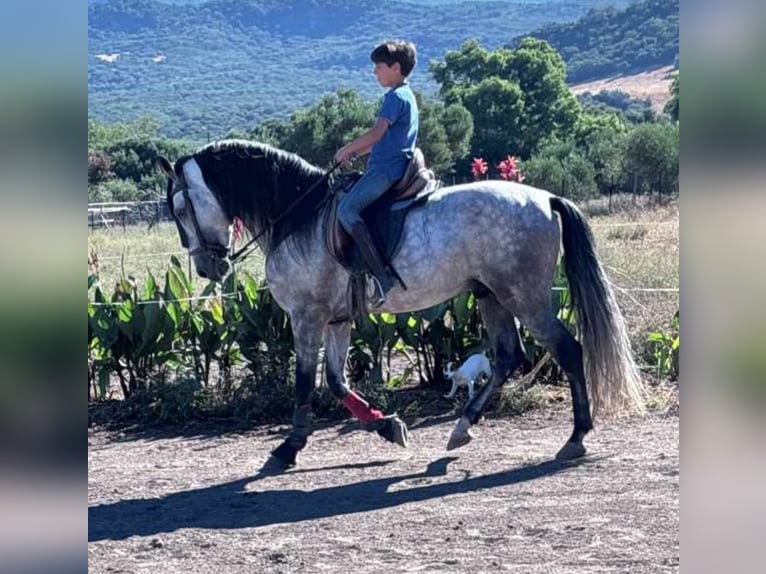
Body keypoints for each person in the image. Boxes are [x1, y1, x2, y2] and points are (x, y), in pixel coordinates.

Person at [334, 40, 419, 306]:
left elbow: (376, 134)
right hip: (387, 164)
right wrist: (356, 154)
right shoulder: (406, 95)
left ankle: (382, 276)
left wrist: (344, 149)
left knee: (346, 210)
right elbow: (383, 141)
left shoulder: (394, 97)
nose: (375, 72)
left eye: (379, 67)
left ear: (395, 68)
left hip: (387, 170)